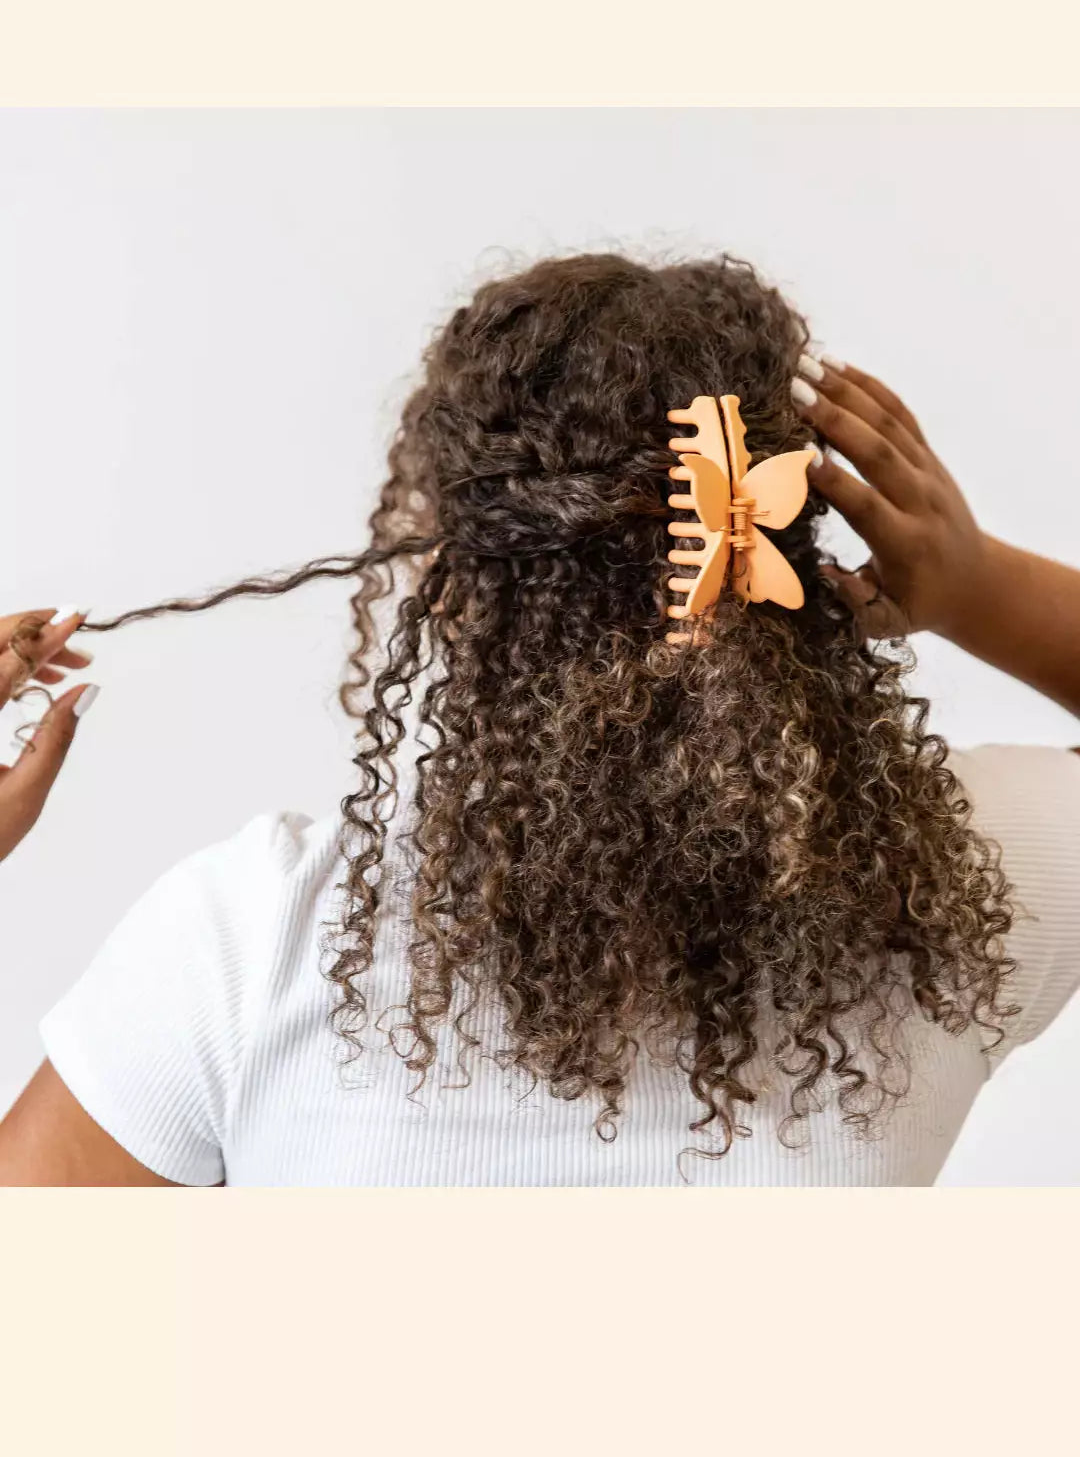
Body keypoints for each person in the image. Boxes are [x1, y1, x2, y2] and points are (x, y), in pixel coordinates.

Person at [1, 252, 1079, 1187]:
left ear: (449, 576)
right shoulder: (960, 895)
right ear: (784, 536)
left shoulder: (250, 943)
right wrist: (978, 588)